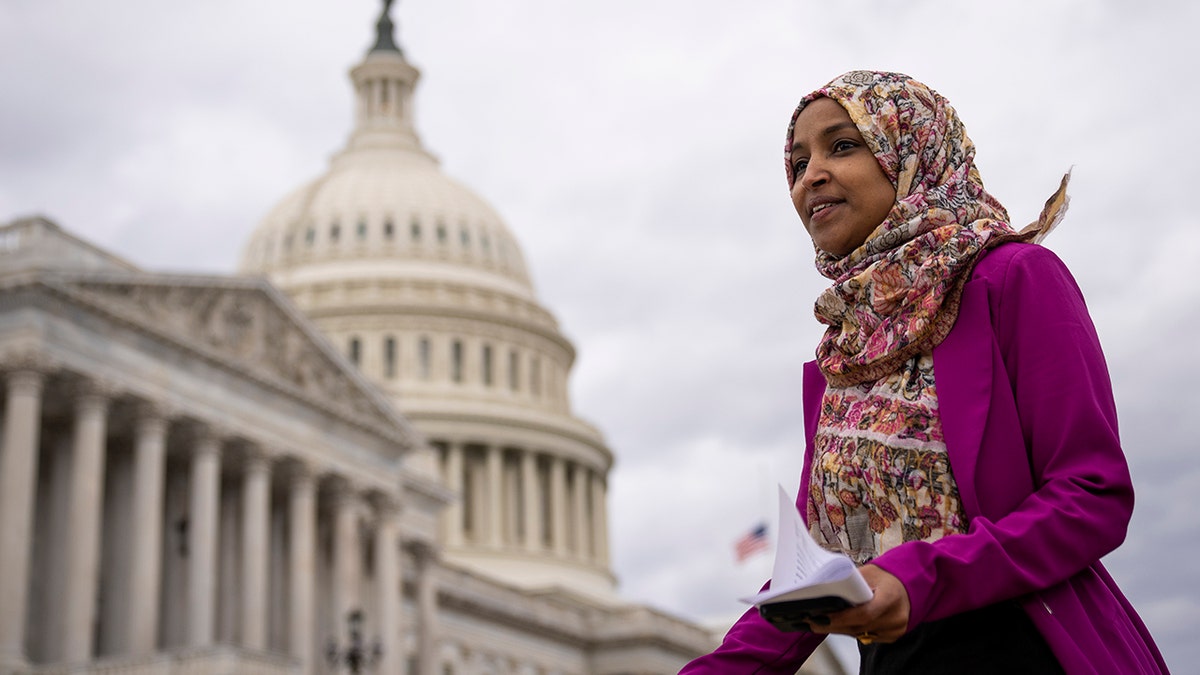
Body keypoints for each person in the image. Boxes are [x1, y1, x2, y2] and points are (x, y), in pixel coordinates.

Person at [680, 71, 1169, 674]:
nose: (811, 175)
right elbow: (814, 572)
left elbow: (1092, 496)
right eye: (798, 162)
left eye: (843, 145)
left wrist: (916, 580)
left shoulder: (1014, 278)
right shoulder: (842, 357)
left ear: (913, 151)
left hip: (1026, 651)